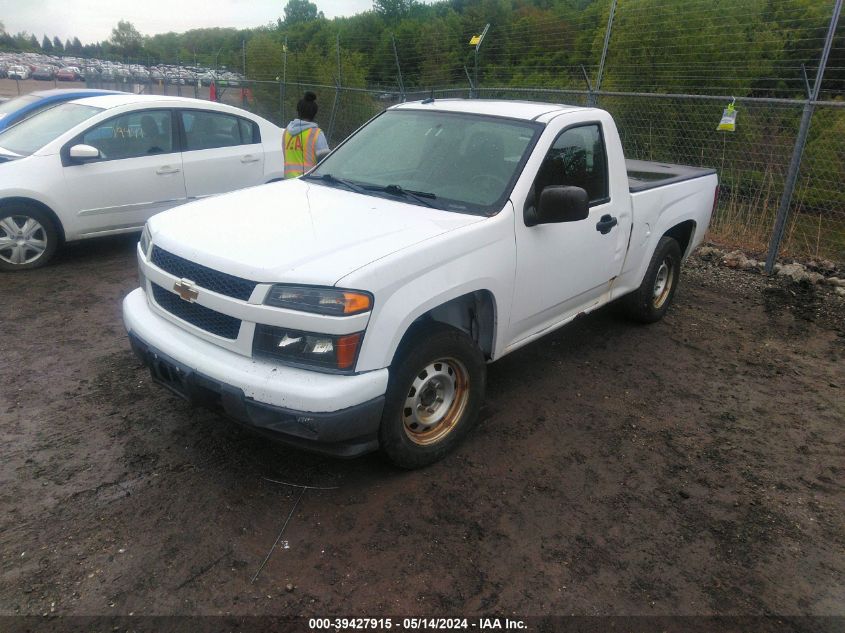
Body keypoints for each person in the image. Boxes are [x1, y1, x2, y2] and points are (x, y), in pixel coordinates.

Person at [283, 91, 329, 179]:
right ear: (314, 114)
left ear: (298, 111)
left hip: (288, 183)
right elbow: (325, 163)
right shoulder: (316, 134)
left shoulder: (286, 132)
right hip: (309, 183)